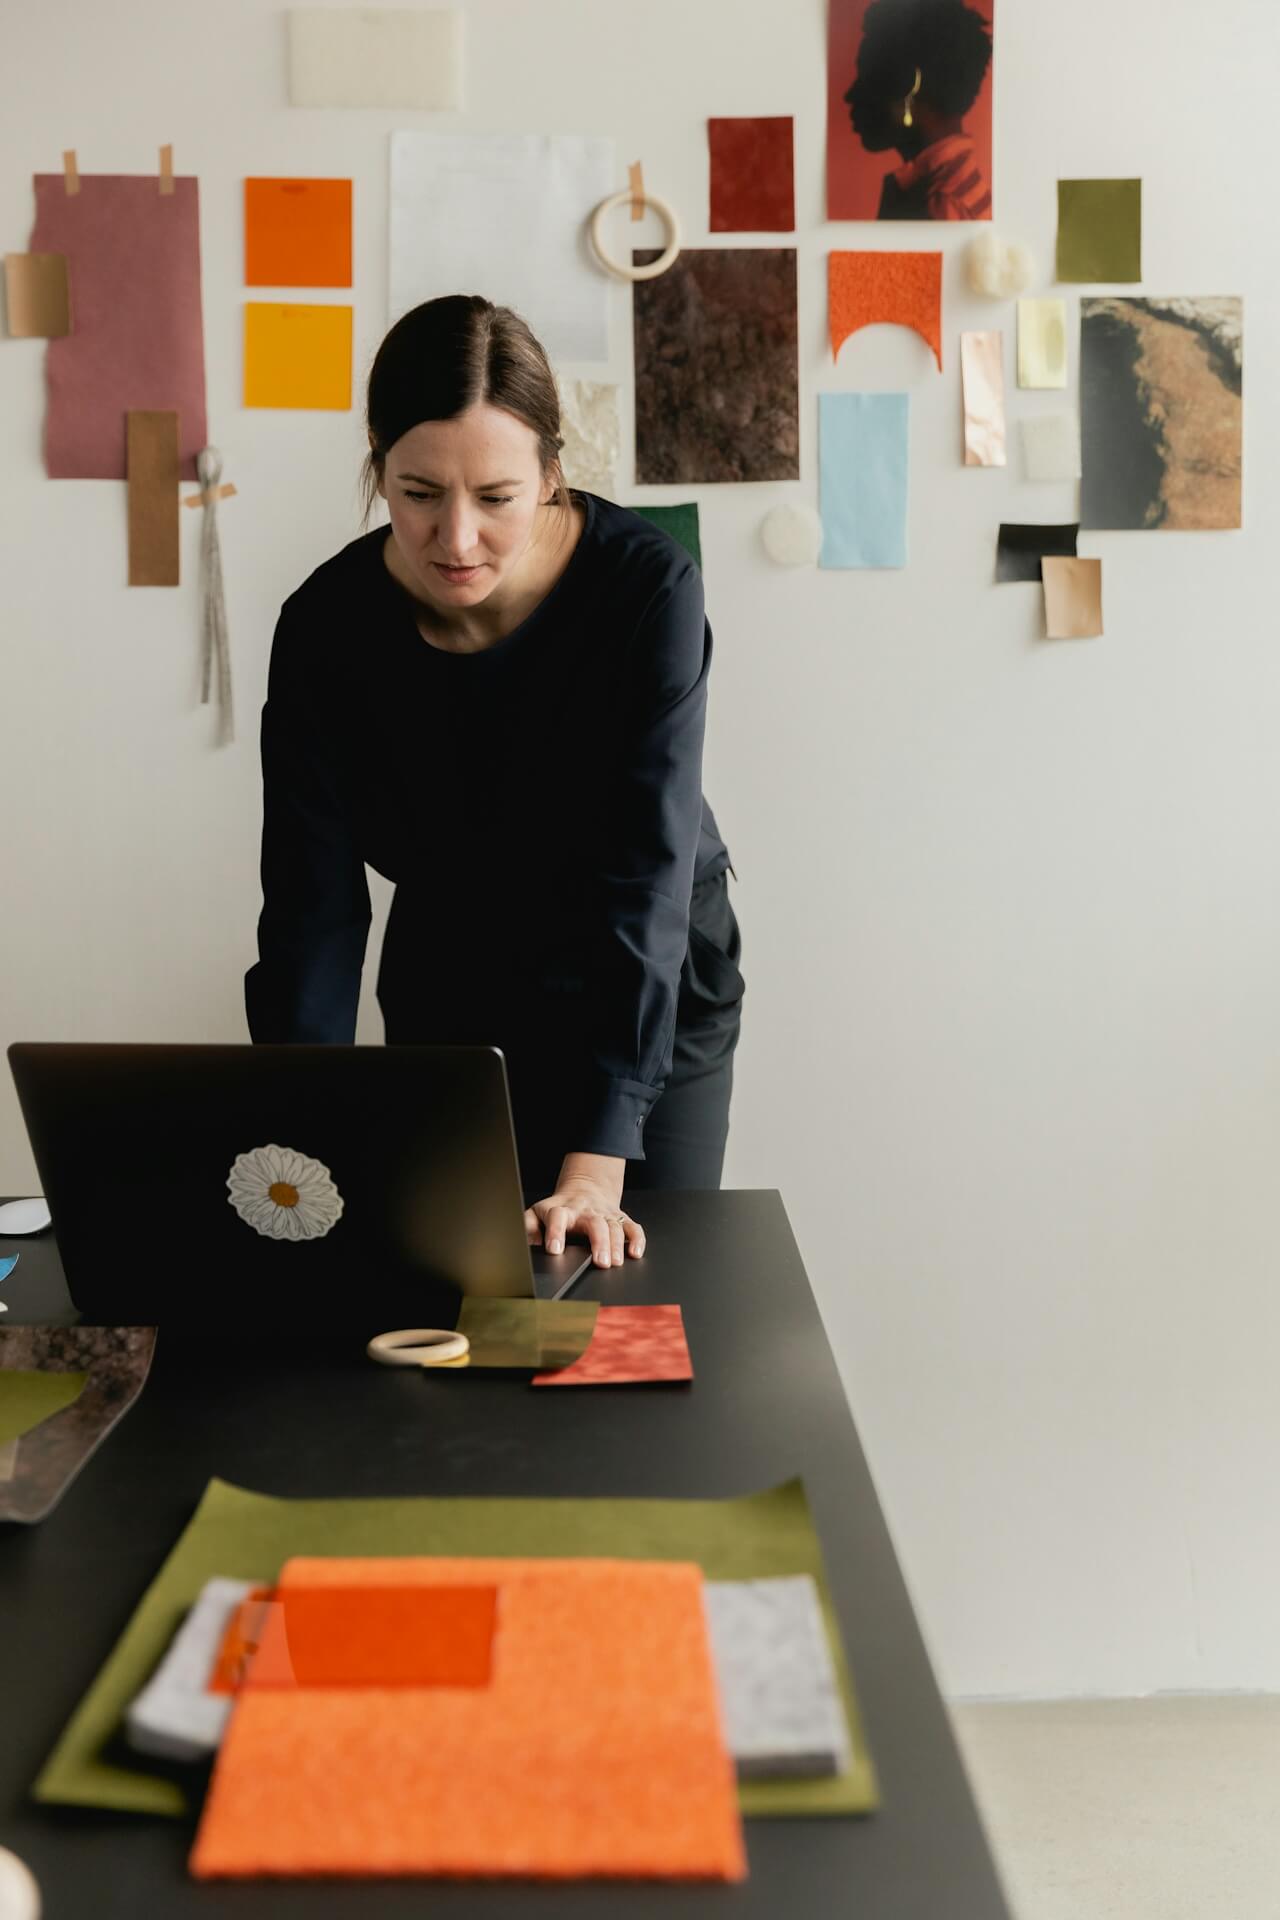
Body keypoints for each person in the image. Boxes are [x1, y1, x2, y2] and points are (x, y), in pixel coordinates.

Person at [244, 295, 744, 1275]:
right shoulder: (324, 630)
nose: (455, 538)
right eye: (419, 491)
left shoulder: (645, 593)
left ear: (552, 472)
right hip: (454, 969)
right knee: (448, 1295)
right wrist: (294, 1137)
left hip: (646, 974)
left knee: (623, 1295)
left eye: (497, 498)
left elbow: (645, 877)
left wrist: (599, 1160)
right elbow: (312, 914)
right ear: (378, 463)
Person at [843, 0, 993, 221]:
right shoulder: (940, 188)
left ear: (910, 85)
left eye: (869, 79)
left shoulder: (942, 205)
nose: (850, 96)